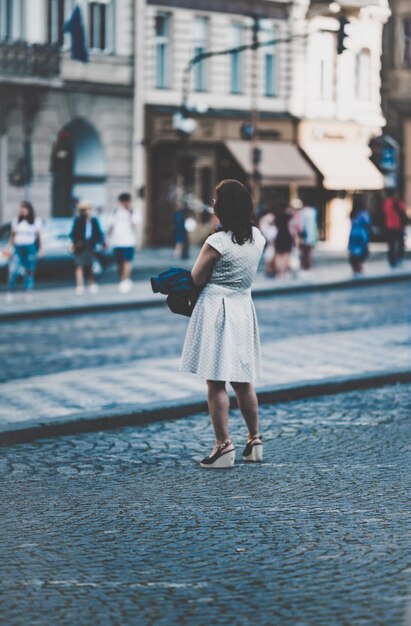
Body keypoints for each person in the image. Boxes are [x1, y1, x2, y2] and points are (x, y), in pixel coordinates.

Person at [180, 179, 266, 468]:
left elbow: (196, 278)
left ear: (223, 208)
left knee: (216, 381)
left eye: (217, 200)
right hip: (243, 308)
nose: (213, 204)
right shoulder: (258, 237)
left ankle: (223, 446)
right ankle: (254, 440)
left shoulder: (216, 242)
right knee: (243, 380)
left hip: (217, 309)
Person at [5, 201, 43, 303]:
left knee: (29, 271)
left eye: (24, 208)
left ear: (29, 209)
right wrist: (9, 247)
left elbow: (39, 237)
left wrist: (40, 249)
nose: (22, 210)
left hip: (30, 248)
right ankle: (10, 292)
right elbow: (12, 236)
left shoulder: (36, 221)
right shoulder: (16, 220)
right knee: (13, 270)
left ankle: (27, 292)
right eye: (21, 208)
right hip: (18, 248)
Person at [70, 200, 105, 295]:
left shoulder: (94, 220)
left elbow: (98, 233)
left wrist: (101, 242)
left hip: (90, 245)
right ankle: (79, 285)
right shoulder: (78, 220)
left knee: (90, 266)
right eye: (83, 210)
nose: (86, 212)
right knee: (79, 266)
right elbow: (73, 234)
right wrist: (77, 242)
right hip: (80, 245)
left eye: (87, 209)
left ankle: (92, 283)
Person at [108, 192, 139, 293]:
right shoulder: (115, 212)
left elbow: (135, 225)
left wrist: (130, 214)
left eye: (127, 201)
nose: (125, 203)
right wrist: (107, 239)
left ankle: (125, 280)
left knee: (126, 261)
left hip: (128, 241)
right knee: (119, 263)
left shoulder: (133, 212)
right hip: (116, 242)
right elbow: (111, 226)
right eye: (123, 201)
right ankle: (122, 279)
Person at [382, 190, 408, 268]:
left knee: (392, 244)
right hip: (396, 226)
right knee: (398, 243)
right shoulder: (396, 203)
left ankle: (393, 260)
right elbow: (402, 213)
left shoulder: (387, 203)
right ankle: (397, 259)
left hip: (390, 226)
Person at [348, 194, 371, 276]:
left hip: (353, 234)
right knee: (362, 252)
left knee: (354, 252)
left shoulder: (352, 213)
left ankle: (355, 268)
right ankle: (359, 268)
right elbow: (367, 223)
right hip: (362, 234)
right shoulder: (364, 213)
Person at [298, 200, 318, 271]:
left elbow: (301, 224)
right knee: (309, 251)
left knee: (304, 252)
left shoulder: (302, 212)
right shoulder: (313, 212)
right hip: (312, 234)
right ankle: (309, 266)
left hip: (305, 234)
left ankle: (305, 266)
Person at [274, 206, 293, 277]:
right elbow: (291, 228)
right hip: (287, 236)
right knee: (286, 255)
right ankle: (284, 271)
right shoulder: (288, 217)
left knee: (278, 255)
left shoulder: (276, 217)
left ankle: (279, 272)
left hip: (278, 236)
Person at [259, 210, 277, 276]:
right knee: (269, 255)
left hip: (271, 243)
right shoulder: (266, 225)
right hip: (269, 243)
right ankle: (269, 270)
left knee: (271, 255)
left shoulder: (273, 228)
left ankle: (271, 269)